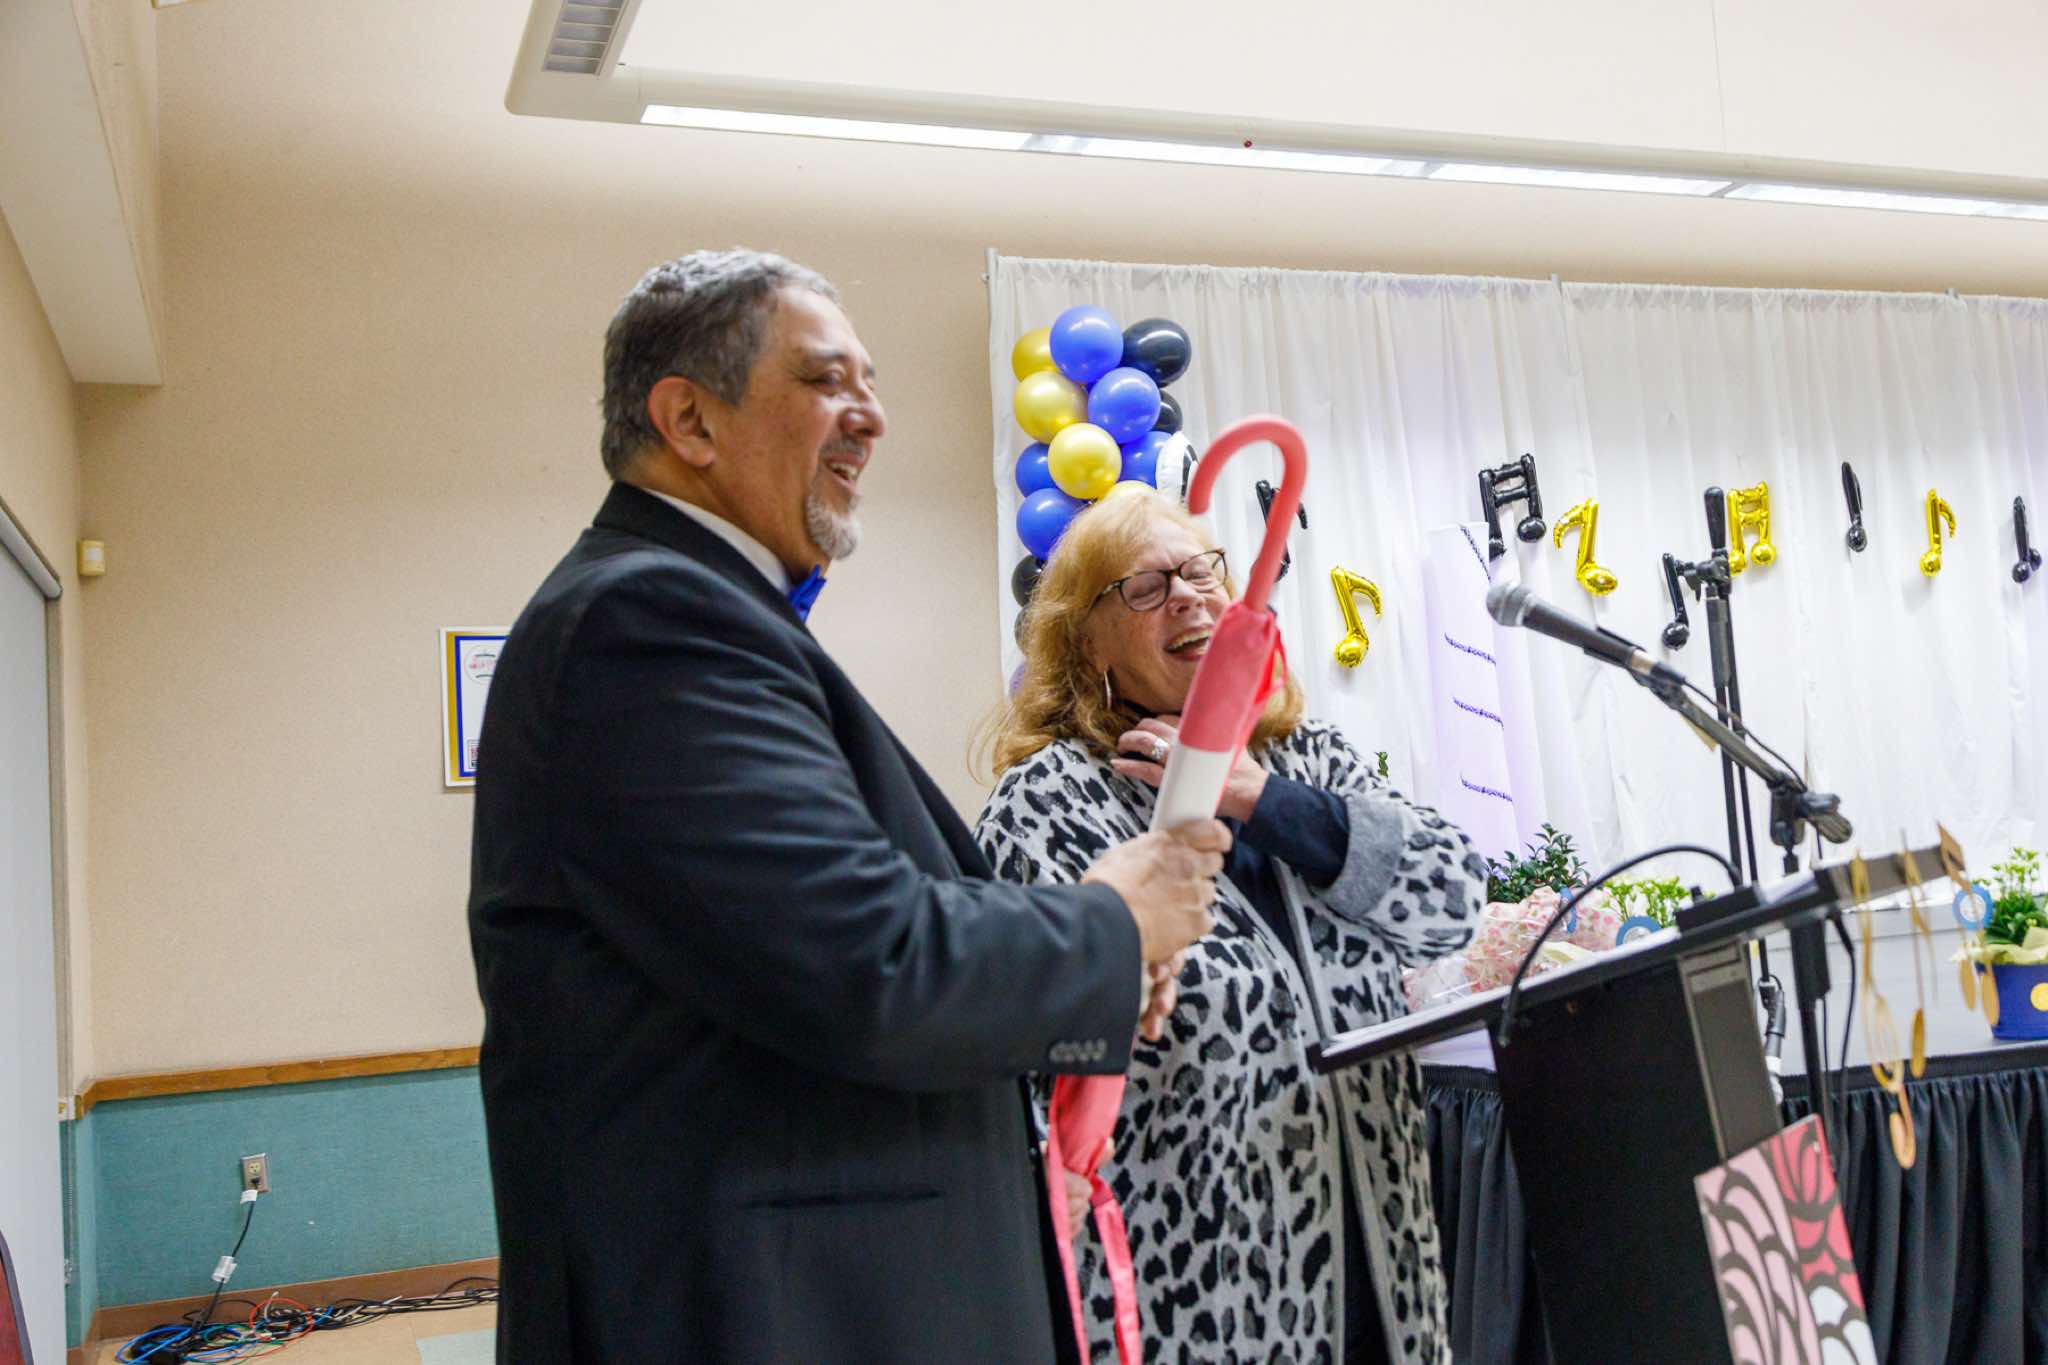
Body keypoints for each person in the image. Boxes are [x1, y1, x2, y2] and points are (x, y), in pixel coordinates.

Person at [467, 249, 1229, 1364]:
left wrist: (1095, 974)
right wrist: (1113, 919)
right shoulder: (648, 621)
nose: (870, 417)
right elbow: (867, 960)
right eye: (827, 381)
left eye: (869, 383)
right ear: (688, 419)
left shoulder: (705, 615)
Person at [976, 488, 1486, 1365]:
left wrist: (1256, 794)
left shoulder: (1307, 759)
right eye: (1144, 587)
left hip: (1384, 1273)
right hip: (1202, 1297)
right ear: (1087, 644)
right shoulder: (1047, 805)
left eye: (1201, 572)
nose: (1187, 596)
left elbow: (1453, 900)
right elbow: (1026, 1054)